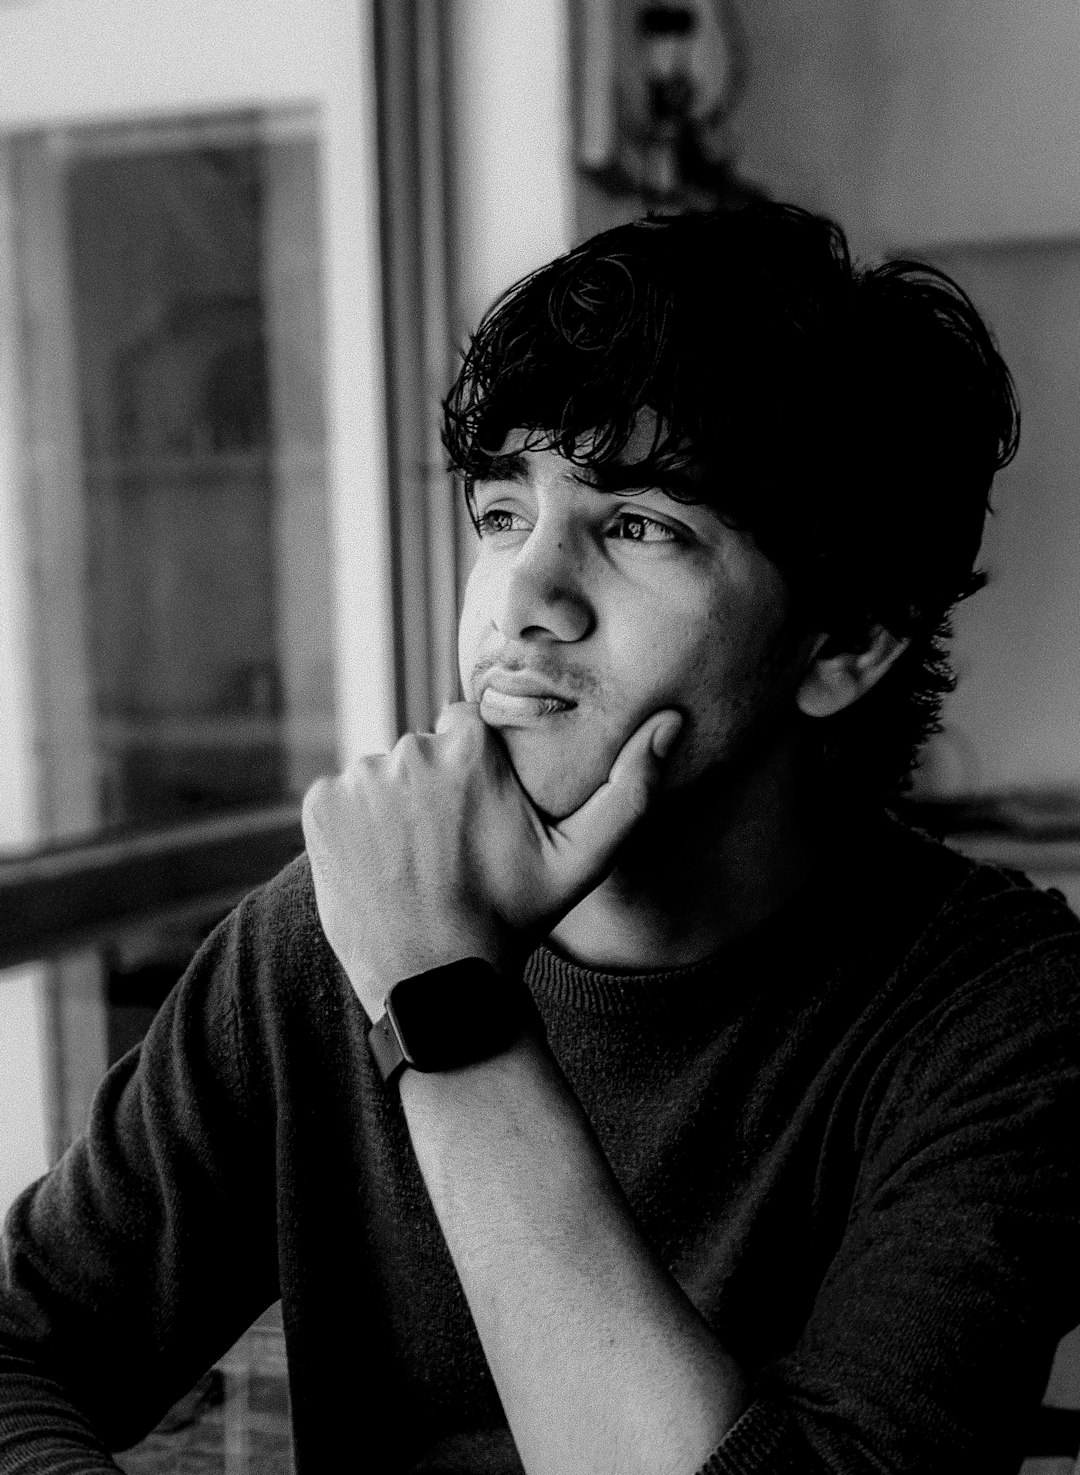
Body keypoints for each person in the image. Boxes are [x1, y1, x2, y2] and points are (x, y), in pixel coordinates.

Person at [2, 201, 1078, 1475]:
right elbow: (25, 1344)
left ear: (844, 642)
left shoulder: (1007, 1017)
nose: (522, 598)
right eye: (504, 511)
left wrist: (445, 1006)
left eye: (639, 528)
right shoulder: (328, 931)